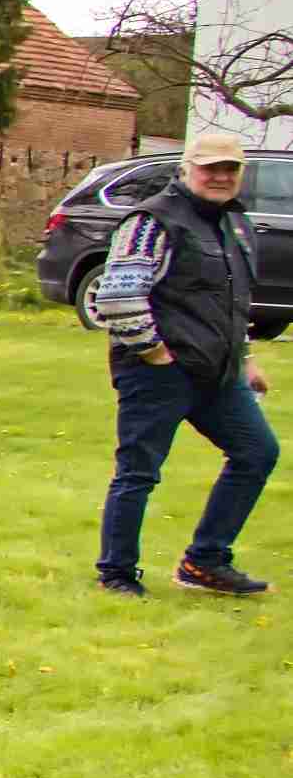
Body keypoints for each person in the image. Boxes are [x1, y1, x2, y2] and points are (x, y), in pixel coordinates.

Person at [89, 128, 273, 597]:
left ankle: (205, 562)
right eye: (210, 167)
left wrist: (246, 358)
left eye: (229, 168)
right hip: (157, 371)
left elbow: (233, 301)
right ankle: (117, 575)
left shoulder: (234, 224)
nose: (220, 176)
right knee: (138, 473)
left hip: (218, 373)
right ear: (187, 168)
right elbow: (117, 297)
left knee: (257, 452)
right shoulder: (153, 221)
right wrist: (155, 354)